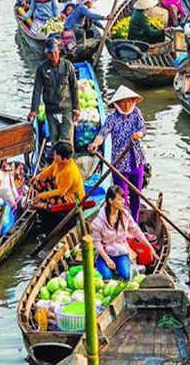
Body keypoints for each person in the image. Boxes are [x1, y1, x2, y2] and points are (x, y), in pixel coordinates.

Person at [87, 86, 147, 222]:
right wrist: (96, 143)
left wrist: (139, 134)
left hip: (137, 161)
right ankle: (124, 224)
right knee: (121, 198)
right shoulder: (113, 118)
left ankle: (135, 222)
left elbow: (143, 129)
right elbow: (103, 133)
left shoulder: (136, 113)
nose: (127, 105)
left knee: (136, 194)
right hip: (120, 164)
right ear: (117, 103)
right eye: (124, 102)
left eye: (130, 101)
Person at [91, 185, 153, 281]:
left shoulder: (125, 215)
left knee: (125, 275)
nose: (123, 201)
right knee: (107, 277)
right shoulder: (99, 221)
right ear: (111, 201)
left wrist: (150, 247)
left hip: (121, 252)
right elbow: (97, 243)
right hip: (105, 254)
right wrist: (107, 260)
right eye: (119, 199)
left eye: (123, 198)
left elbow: (136, 231)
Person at [29, 38, 79, 150]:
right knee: (55, 140)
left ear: (59, 51)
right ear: (46, 53)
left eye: (55, 52)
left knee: (66, 141)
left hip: (66, 108)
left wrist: (76, 108)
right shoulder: (41, 69)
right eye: (50, 53)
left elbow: (74, 88)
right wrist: (34, 110)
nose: (53, 55)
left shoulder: (67, 66)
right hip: (51, 110)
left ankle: (69, 163)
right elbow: (37, 90)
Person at [30, 142, 85, 210]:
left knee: (52, 200)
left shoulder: (69, 171)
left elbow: (60, 192)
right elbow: (50, 169)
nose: (54, 157)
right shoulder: (58, 161)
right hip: (59, 186)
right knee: (38, 181)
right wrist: (38, 177)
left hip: (71, 198)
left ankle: (41, 205)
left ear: (65, 159)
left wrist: (42, 196)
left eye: (56, 155)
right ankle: (36, 199)